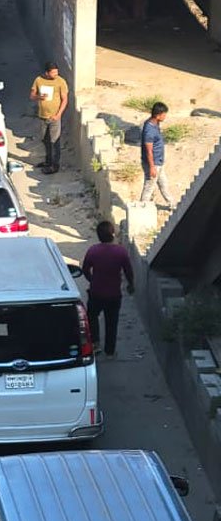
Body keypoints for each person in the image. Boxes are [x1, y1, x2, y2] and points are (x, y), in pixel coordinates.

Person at [81, 220, 134, 359]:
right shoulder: (121, 251)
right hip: (114, 294)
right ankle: (110, 351)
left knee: (92, 317)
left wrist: (92, 280)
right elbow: (128, 271)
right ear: (112, 234)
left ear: (98, 235)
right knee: (112, 322)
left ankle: (95, 343)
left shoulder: (93, 250)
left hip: (96, 292)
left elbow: (85, 269)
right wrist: (131, 284)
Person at [29, 61, 69, 173]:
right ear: (47, 73)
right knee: (45, 140)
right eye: (53, 73)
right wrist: (38, 97)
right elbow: (32, 95)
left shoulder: (61, 82)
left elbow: (65, 99)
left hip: (54, 117)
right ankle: (48, 161)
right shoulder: (38, 80)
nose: (56, 74)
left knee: (54, 141)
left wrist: (58, 114)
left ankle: (54, 166)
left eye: (57, 72)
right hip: (42, 116)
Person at [140, 101, 174, 208]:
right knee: (149, 187)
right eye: (164, 114)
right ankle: (142, 208)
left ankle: (172, 204)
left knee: (164, 184)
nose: (165, 116)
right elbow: (148, 150)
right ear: (158, 115)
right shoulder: (149, 130)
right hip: (153, 163)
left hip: (158, 162)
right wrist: (152, 167)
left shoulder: (154, 124)